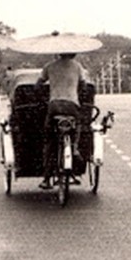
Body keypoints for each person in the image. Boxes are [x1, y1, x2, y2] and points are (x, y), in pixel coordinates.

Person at [36, 52, 88, 188]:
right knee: (77, 124)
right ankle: (75, 147)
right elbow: (84, 85)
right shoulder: (77, 66)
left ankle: (46, 179)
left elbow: (38, 84)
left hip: (54, 106)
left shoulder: (49, 66)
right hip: (72, 105)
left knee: (49, 140)